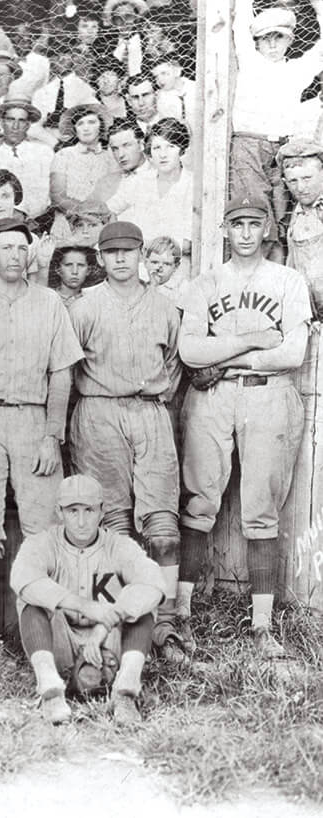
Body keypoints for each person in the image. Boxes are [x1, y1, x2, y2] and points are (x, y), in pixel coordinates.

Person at [176, 196, 312, 660]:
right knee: (199, 503)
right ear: (225, 230)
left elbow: (292, 354)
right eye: (238, 225)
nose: (247, 233)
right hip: (212, 397)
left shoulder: (288, 281)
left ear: (268, 229)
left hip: (269, 392)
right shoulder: (204, 283)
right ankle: (181, 616)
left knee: (261, 511)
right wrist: (254, 339)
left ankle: (261, 627)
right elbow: (190, 352)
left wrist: (227, 355)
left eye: (255, 224)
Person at [68, 221, 186, 661]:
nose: (120, 259)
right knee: (113, 528)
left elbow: (174, 367)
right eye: (111, 252)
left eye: (128, 251)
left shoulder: (164, 307)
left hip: (151, 412)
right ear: (100, 258)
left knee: (163, 531)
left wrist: (153, 399)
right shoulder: (84, 307)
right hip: (99, 413)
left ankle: (167, 623)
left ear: (141, 254)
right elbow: (68, 367)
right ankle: (119, 623)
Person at [0, 217, 83, 559]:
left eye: (23, 248)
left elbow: (62, 374)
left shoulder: (48, 302)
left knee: (47, 530)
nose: (15, 256)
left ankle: (47, 613)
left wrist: (53, 436)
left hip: (32, 421)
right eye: (6, 247)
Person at [11, 474, 167, 726]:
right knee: (31, 603)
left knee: (143, 611)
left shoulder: (118, 545)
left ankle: (125, 692)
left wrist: (105, 624)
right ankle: (50, 690)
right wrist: (83, 606)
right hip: (62, 642)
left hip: (108, 643)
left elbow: (154, 584)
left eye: (89, 510)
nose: (82, 521)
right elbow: (23, 579)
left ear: (102, 511)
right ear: (59, 512)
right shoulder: (43, 543)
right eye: (73, 511)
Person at [230, 0, 323, 232]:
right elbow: (240, 20)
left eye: (279, 37)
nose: (271, 44)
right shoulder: (249, 61)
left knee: (283, 219)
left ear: (290, 39)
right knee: (254, 216)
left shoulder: (297, 70)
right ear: (256, 41)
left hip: (283, 150)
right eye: (265, 38)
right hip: (249, 147)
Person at [106, 118, 193, 275]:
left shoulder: (192, 185)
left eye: (170, 146)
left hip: (176, 268)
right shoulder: (139, 181)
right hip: (138, 267)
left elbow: (190, 244)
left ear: (182, 149)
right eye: (156, 147)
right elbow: (107, 211)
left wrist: (143, 244)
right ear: (149, 152)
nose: (163, 155)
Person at [50, 104, 119, 240]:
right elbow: (57, 197)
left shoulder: (112, 158)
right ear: (75, 129)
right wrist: (83, 214)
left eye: (92, 122)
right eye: (81, 123)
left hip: (101, 225)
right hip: (68, 224)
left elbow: (115, 195)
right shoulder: (63, 155)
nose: (86, 128)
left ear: (101, 126)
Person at [278, 139, 323, 316]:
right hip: (310, 313)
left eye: (307, 178)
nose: (300, 188)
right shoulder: (296, 214)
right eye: (292, 181)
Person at [0, 96, 53, 220]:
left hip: (41, 220)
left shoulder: (44, 152)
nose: (15, 126)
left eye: (21, 120)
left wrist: (24, 213)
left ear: (28, 125)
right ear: (2, 122)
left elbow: (47, 191)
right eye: (10, 119)